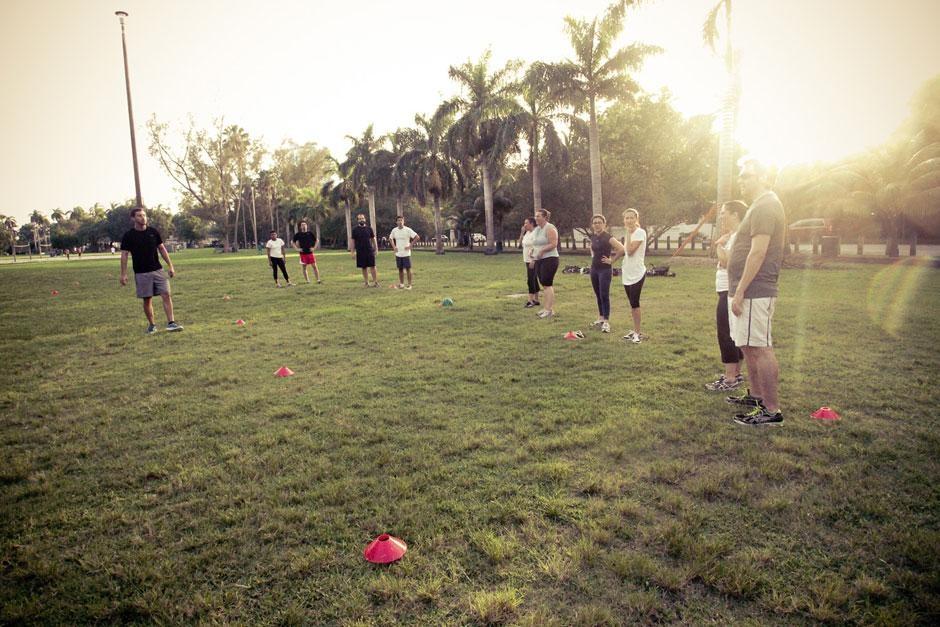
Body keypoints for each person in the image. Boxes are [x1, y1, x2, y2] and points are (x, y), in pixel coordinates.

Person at [727, 159, 787, 426]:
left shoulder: (765, 205)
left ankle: (771, 411)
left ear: (763, 176)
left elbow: (759, 251)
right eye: (740, 176)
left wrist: (740, 290)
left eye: (747, 176)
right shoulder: (758, 206)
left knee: (760, 347)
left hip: (755, 290)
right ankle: (757, 397)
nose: (741, 180)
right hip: (747, 290)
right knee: (747, 345)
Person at [119, 207, 183, 334]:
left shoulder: (153, 232)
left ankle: (171, 323)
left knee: (166, 294)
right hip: (141, 272)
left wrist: (170, 265)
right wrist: (123, 274)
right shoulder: (128, 236)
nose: (143, 218)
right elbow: (124, 255)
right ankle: (152, 325)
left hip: (158, 270)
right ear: (133, 218)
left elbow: (162, 249)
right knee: (147, 299)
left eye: (144, 215)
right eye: (139, 216)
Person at [705, 201, 747, 391]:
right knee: (733, 332)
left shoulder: (738, 236)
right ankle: (736, 374)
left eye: (724, 213)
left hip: (729, 290)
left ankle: (730, 378)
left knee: (726, 333)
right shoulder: (734, 236)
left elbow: (727, 262)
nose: (721, 216)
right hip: (726, 289)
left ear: (735, 214)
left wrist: (719, 246)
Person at [587, 215, 626, 333]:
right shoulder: (593, 237)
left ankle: (606, 322)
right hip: (594, 269)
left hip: (605, 270)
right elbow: (592, 247)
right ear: (592, 225)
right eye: (595, 223)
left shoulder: (608, 237)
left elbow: (622, 249)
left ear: (604, 224)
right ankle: (600, 318)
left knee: (604, 294)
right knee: (598, 294)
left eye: (599, 222)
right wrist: (593, 257)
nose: (597, 224)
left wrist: (612, 260)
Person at [621, 208, 647, 343]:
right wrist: (612, 260)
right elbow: (625, 252)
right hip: (627, 273)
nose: (629, 220)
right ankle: (635, 330)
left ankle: (637, 333)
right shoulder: (629, 233)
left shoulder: (639, 232)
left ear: (636, 219)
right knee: (632, 304)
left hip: (637, 273)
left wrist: (628, 232)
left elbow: (630, 251)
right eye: (627, 218)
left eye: (631, 218)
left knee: (635, 303)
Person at [530, 209, 560, 319]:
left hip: (550, 259)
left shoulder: (550, 228)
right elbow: (535, 243)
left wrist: (542, 251)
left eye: (538, 216)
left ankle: (549, 310)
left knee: (547, 284)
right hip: (539, 260)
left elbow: (553, 244)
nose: (536, 218)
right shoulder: (537, 229)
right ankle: (546, 308)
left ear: (545, 217)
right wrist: (533, 251)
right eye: (535, 216)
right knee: (544, 284)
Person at [389, 215, 419, 289]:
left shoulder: (408, 230)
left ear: (403, 221)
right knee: (400, 269)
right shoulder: (394, 230)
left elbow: (417, 237)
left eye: (401, 220)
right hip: (398, 253)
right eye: (398, 220)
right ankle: (402, 284)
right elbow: (390, 238)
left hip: (406, 253)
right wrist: (394, 247)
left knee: (408, 269)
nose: (400, 222)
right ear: (396, 222)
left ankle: (409, 285)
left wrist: (410, 245)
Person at [351, 213, 379, 287]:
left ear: (365, 219)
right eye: (360, 219)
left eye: (362, 218)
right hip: (360, 251)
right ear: (358, 220)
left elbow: (373, 239)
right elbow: (353, 241)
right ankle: (366, 283)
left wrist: (376, 249)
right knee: (364, 267)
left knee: (373, 266)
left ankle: (375, 282)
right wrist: (352, 252)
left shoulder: (369, 229)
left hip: (369, 250)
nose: (361, 220)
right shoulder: (355, 230)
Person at [520, 217, 540, 308]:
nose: (524, 225)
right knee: (534, 278)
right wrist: (522, 232)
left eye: (526, 223)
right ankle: (536, 299)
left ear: (532, 224)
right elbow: (521, 244)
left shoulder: (536, 233)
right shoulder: (527, 233)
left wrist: (533, 259)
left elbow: (537, 247)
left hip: (533, 260)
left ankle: (530, 300)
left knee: (530, 279)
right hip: (527, 259)